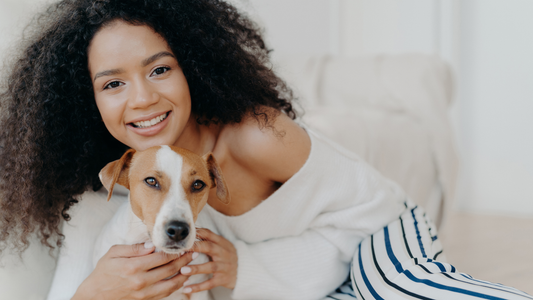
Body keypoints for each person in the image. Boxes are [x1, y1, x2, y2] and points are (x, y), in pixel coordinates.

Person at [0, 0, 531, 299]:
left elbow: (370, 219)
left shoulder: (255, 134)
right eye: (112, 83)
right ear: (86, 100)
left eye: (159, 69)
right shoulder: (100, 194)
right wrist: (97, 292)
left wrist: (244, 271)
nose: (142, 99)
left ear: (192, 66)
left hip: (380, 249)